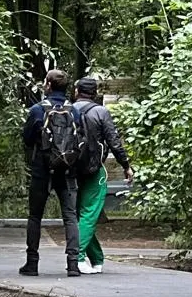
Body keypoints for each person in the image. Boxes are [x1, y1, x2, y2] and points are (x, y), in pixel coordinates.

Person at [20, 68, 84, 277]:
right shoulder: (74, 111)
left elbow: (28, 139)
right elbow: (80, 139)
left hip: (42, 169)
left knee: (35, 216)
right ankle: (73, 264)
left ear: (48, 85)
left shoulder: (38, 110)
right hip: (67, 170)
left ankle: (32, 263)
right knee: (70, 216)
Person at [71, 76, 132, 274]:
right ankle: (77, 258)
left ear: (77, 91)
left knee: (82, 215)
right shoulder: (100, 112)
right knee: (89, 214)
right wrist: (126, 165)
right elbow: (114, 141)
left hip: (70, 171)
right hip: (93, 170)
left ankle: (97, 259)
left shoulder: (67, 110)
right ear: (94, 93)